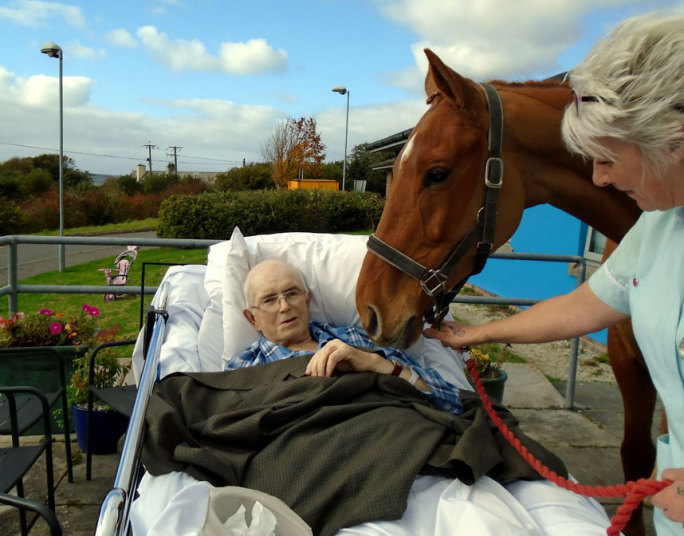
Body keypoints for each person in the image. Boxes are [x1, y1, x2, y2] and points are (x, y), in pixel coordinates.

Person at [424, 14, 684, 535]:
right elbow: (583, 306)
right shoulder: (657, 229)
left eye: (608, 156)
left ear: (673, 138)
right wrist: (478, 332)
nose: (599, 177)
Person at [230, 258, 463, 415]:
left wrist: (377, 364)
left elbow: (449, 400)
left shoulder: (353, 338)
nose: (284, 307)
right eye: (269, 300)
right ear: (252, 319)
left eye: (292, 293)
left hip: (394, 432)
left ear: (307, 300)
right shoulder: (245, 368)